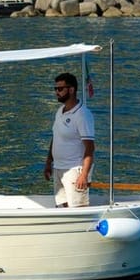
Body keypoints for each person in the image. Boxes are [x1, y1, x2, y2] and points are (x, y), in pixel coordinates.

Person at [44, 72, 95, 207]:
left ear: (71, 90)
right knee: (62, 206)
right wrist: (49, 162)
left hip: (74, 170)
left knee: (77, 208)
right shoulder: (60, 111)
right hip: (58, 168)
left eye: (60, 89)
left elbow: (90, 147)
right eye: (55, 89)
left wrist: (84, 174)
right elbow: (55, 137)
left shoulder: (82, 115)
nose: (57, 92)